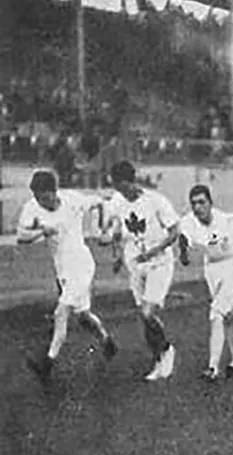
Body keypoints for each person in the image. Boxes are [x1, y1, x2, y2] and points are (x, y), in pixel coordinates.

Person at [17, 170, 118, 386]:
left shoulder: (73, 200)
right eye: (38, 198)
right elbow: (21, 236)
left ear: (55, 192)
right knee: (83, 316)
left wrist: (102, 228)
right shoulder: (31, 208)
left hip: (82, 265)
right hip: (62, 271)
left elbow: (101, 202)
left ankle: (48, 363)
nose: (42, 203)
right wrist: (42, 231)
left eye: (45, 197)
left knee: (61, 312)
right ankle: (107, 341)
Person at [104, 160, 179, 381]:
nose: (121, 192)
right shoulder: (117, 201)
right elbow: (117, 231)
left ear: (132, 181)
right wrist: (117, 255)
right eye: (117, 188)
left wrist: (154, 250)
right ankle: (158, 358)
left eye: (123, 187)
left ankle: (166, 350)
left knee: (148, 313)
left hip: (159, 263)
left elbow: (174, 232)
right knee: (144, 316)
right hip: (135, 263)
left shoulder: (156, 201)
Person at [178, 184, 233, 382]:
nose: (197, 207)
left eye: (202, 202)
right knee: (228, 316)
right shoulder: (188, 222)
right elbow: (183, 237)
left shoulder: (225, 220)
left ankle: (212, 367)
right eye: (194, 203)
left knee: (216, 313)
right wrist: (183, 252)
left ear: (210, 203)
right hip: (213, 270)